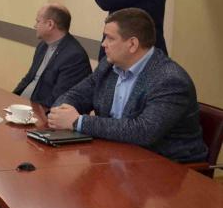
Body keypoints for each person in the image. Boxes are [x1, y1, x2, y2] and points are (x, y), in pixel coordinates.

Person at [48, 9, 206, 163]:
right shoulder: (108, 66)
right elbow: (76, 94)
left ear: (132, 44)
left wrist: (78, 122)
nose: (103, 44)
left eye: (110, 38)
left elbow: (144, 131)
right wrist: (62, 111)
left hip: (167, 166)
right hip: (115, 157)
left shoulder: (169, 80)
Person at [13, 4, 92, 108]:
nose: (35, 26)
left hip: (41, 111)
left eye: (38, 21)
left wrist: (30, 111)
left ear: (50, 24)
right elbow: (29, 78)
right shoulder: (42, 45)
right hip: (23, 106)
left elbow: (59, 99)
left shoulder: (74, 56)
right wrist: (12, 98)